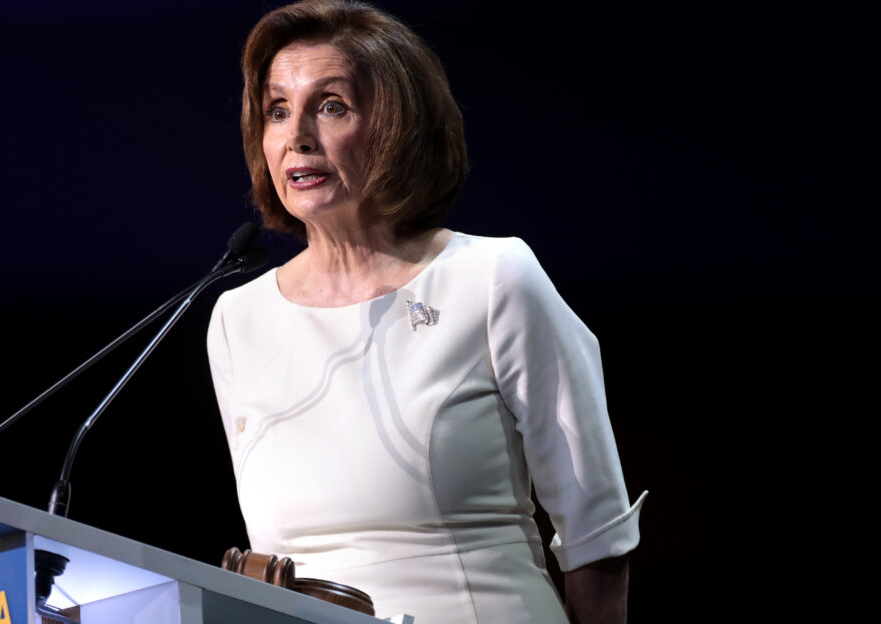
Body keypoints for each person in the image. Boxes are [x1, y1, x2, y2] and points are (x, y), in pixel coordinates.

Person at [206, 1, 646, 622]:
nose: (297, 135)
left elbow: (596, 535)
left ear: (396, 128)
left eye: (331, 106)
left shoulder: (492, 278)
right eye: (278, 110)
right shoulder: (237, 318)